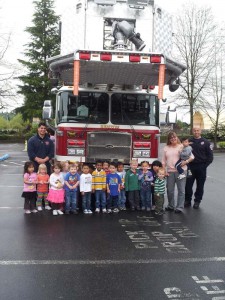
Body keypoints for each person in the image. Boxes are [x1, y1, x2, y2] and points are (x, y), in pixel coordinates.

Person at [162, 131, 194, 213]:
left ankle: (179, 207)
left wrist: (186, 162)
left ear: (177, 137)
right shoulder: (166, 148)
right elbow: (163, 161)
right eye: (171, 137)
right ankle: (171, 205)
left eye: (174, 137)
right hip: (170, 172)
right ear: (169, 139)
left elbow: (192, 157)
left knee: (181, 190)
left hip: (181, 171)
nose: (173, 138)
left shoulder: (182, 146)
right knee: (169, 190)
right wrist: (164, 171)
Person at [185, 127, 213, 209]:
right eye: (194, 130)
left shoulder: (206, 142)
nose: (196, 132)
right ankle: (187, 200)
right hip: (190, 167)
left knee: (200, 185)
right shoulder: (188, 141)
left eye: (198, 130)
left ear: (200, 131)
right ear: (192, 131)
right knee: (188, 185)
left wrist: (204, 166)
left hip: (201, 167)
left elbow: (210, 157)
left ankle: (197, 201)